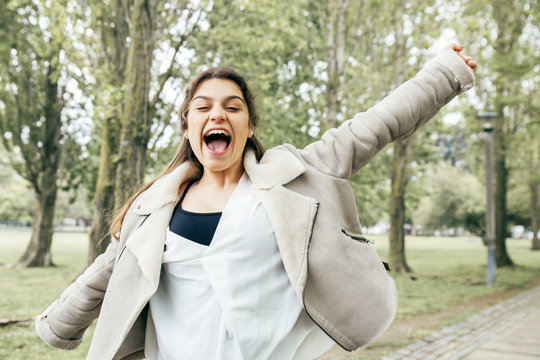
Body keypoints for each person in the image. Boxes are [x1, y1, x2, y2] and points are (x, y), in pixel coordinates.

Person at [35, 43, 476, 360]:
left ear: (249, 125)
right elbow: (108, 272)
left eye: (233, 106)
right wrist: (58, 325)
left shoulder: (293, 177)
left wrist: (444, 74)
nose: (217, 115)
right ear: (188, 125)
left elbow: (372, 127)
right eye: (203, 107)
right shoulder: (156, 206)